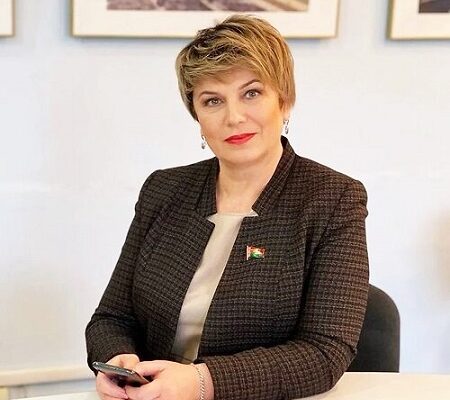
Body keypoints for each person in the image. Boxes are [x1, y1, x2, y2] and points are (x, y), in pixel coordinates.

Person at [86, 14, 369, 400]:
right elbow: (111, 318)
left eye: (251, 93)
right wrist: (118, 362)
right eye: (212, 101)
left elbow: (324, 353)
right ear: (197, 116)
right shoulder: (163, 190)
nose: (233, 117)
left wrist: (201, 382)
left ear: (284, 100)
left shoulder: (332, 199)